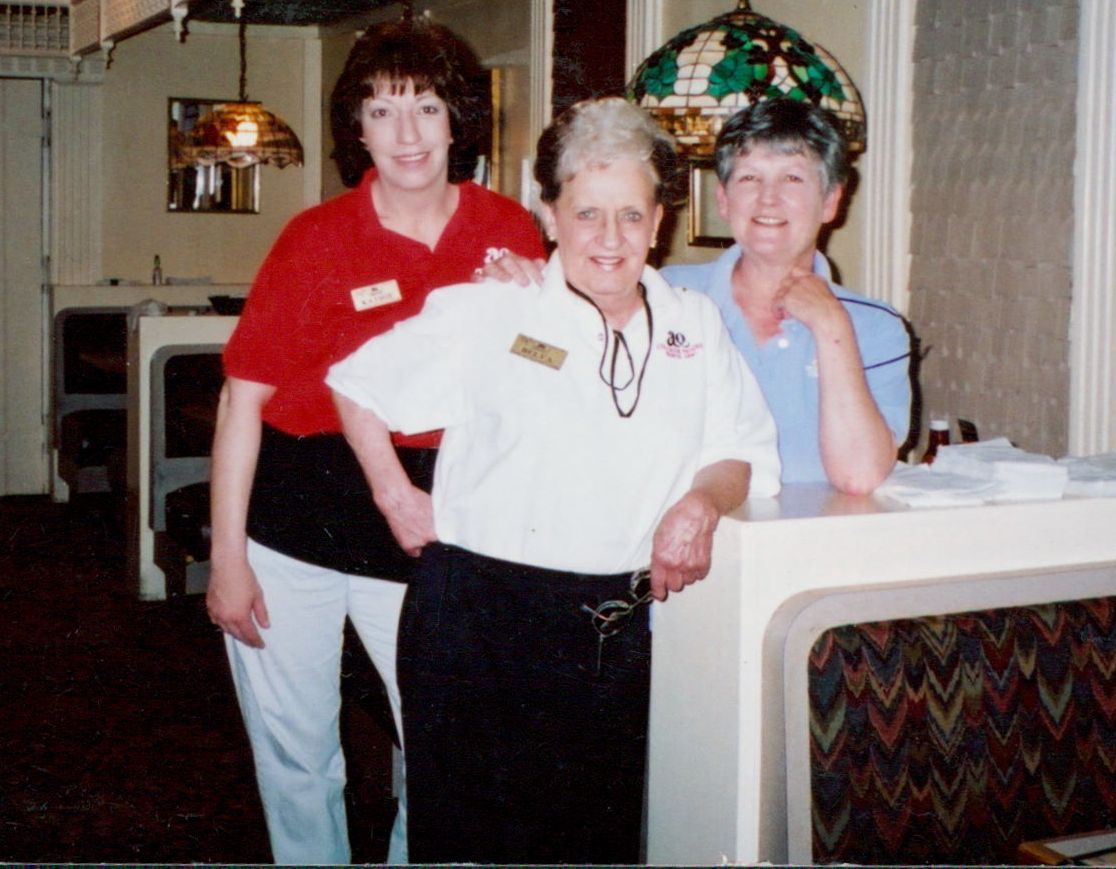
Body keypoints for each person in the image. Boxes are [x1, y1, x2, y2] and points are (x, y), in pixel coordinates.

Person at [327, 96, 781, 864]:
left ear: (659, 221)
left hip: (614, 625)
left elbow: (739, 447)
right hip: (479, 620)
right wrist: (393, 493)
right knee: (471, 847)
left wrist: (702, 503)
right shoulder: (492, 309)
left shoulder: (692, 325)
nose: (610, 237)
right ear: (550, 215)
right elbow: (356, 384)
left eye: (631, 215)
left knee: (595, 842)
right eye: (587, 213)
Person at [205, 18, 545, 865]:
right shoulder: (314, 238)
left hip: (434, 520)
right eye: (383, 111)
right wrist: (226, 557)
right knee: (297, 752)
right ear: (356, 128)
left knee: (446, 746)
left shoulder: (510, 228)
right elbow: (241, 401)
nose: (407, 133)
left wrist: (540, 305)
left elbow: (545, 374)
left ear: (458, 120)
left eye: (426, 107)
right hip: (296, 518)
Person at [487, 99, 910, 494]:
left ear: (831, 201)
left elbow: (858, 475)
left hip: (812, 544)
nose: (769, 198)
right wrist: (525, 284)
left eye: (793, 178)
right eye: (749, 178)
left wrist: (830, 325)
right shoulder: (663, 297)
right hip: (676, 536)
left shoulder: (875, 326)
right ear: (723, 199)